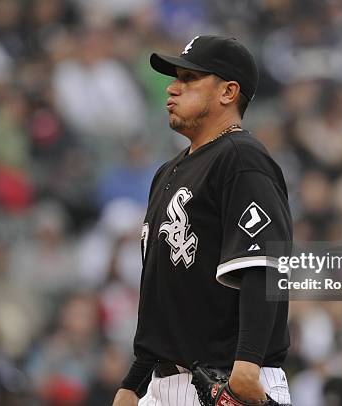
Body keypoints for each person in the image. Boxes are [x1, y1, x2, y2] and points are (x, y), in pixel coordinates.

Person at [112, 35, 293, 406]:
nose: (172, 89)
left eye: (189, 79)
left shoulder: (241, 158)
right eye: (175, 78)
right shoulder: (169, 172)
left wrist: (247, 367)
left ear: (228, 92)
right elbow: (165, 293)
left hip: (228, 378)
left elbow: (264, 264)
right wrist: (134, 383)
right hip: (164, 385)